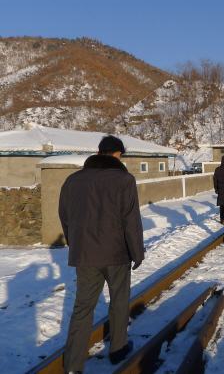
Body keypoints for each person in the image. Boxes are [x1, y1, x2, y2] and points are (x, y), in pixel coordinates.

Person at [59, 135, 144, 373]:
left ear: (97, 154)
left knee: (82, 308)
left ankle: (73, 365)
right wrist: (137, 252)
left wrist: (75, 243)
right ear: (119, 155)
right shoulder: (125, 179)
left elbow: (65, 217)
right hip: (117, 253)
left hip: (85, 254)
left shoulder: (72, 180)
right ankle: (118, 351)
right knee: (118, 301)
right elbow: (131, 220)